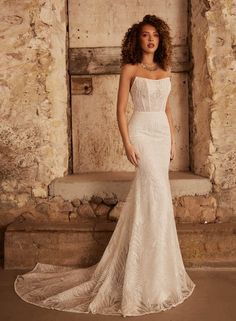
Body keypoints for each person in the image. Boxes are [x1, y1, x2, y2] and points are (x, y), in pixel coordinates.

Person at [14, 14, 196, 317]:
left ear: (160, 39)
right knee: (152, 192)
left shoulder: (166, 69)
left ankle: (158, 274)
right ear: (137, 39)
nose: (150, 39)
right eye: (145, 35)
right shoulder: (129, 68)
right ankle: (141, 276)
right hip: (140, 131)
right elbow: (121, 110)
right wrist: (127, 143)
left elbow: (167, 109)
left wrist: (173, 141)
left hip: (162, 135)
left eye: (155, 35)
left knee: (159, 196)